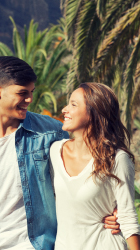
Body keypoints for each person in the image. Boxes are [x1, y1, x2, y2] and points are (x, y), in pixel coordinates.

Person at [0, 57, 120, 250]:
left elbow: (93, 161)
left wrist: (114, 206)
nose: (30, 100)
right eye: (22, 93)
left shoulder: (51, 131)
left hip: (37, 244)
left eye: (31, 92)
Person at [50, 82, 140, 250]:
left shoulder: (117, 159)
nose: (64, 109)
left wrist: (119, 218)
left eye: (73, 104)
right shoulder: (54, 151)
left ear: (93, 113)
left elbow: (128, 217)